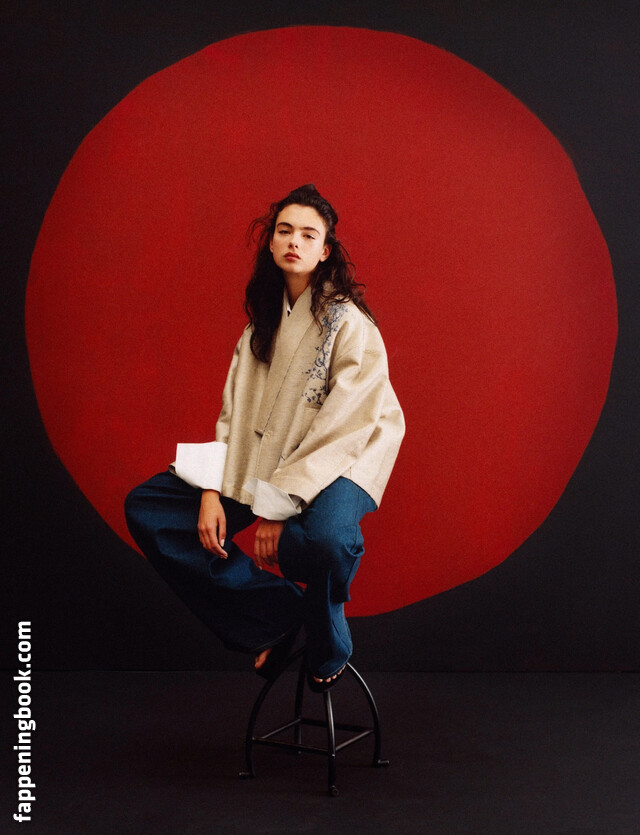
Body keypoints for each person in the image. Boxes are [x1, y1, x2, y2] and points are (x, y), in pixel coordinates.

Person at [125, 184, 405, 690]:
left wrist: (275, 507)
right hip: (268, 455)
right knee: (152, 510)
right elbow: (234, 415)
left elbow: (344, 425)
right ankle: (278, 615)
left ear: (325, 250)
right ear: (271, 243)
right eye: (284, 231)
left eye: (308, 234)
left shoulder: (349, 322)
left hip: (344, 457)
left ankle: (328, 641)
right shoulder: (261, 326)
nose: (294, 241)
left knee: (326, 541)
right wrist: (211, 489)